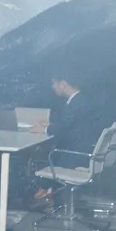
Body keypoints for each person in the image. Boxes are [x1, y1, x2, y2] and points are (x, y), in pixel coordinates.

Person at [32, 73, 102, 201]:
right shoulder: (80, 100)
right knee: (48, 150)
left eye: (54, 83)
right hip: (84, 150)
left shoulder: (76, 103)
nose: (53, 87)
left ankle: (44, 193)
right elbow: (68, 123)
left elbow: (62, 128)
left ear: (63, 84)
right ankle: (48, 192)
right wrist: (50, 125)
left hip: (75, 154)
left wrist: (44, 129)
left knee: (41, 155)